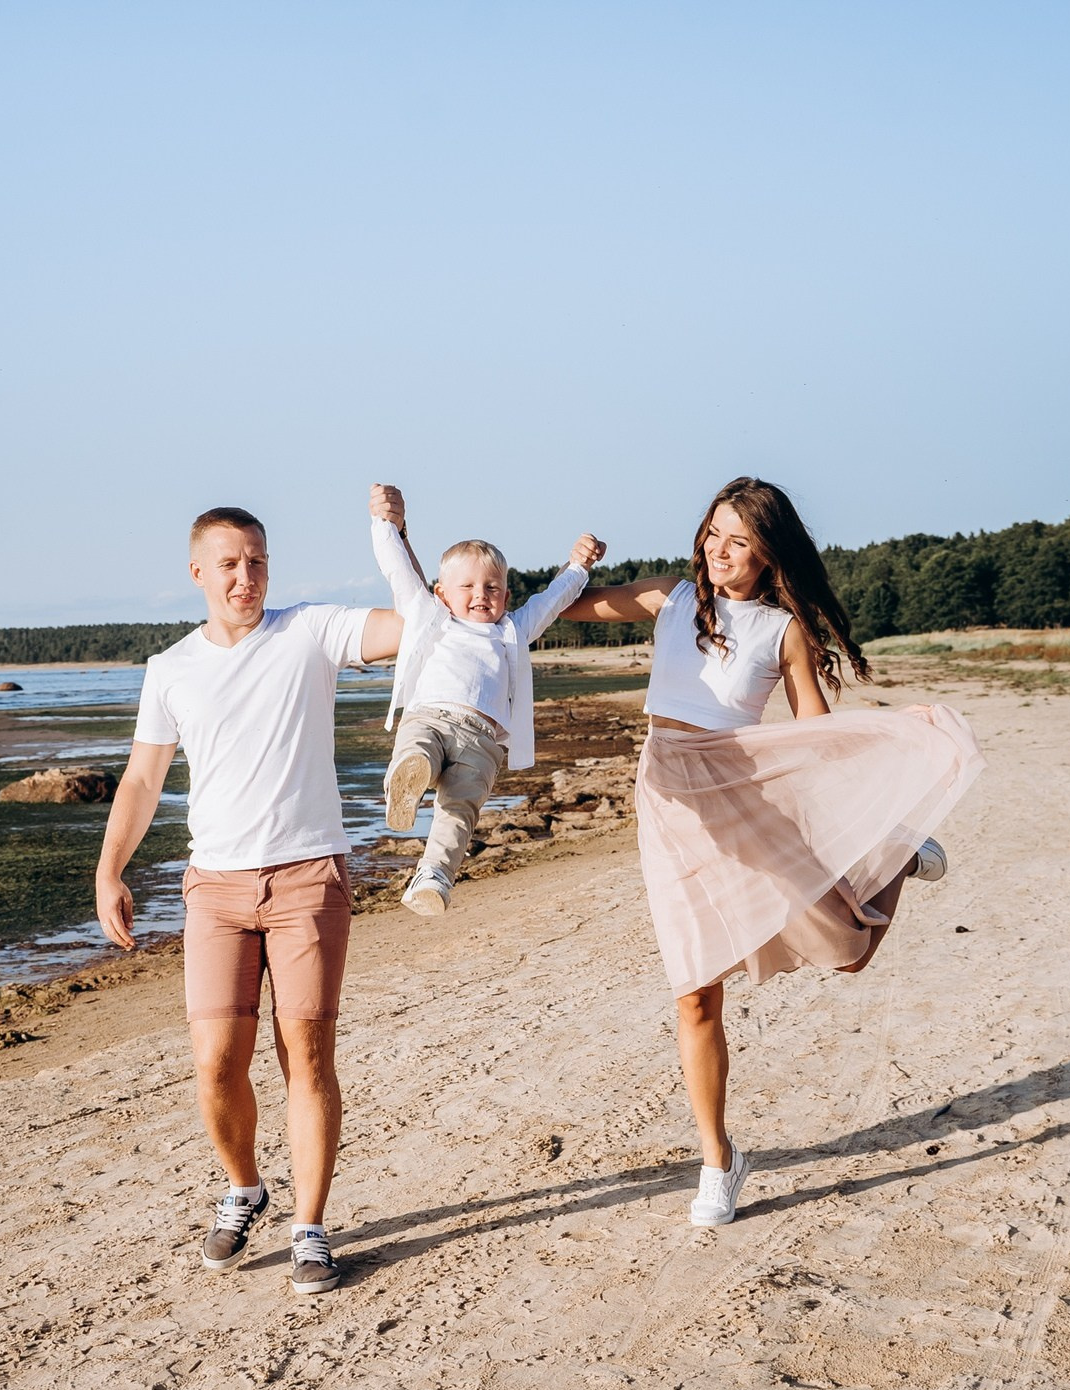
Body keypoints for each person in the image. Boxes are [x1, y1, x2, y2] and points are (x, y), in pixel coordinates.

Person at [554, 477, 984, 1227]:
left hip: (743, 797)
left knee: (847, 950)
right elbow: (561, 609)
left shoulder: (783, 631)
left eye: (739, 541)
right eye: (713, 533)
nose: (720, 551)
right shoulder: (670, 598)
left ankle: (899, 851)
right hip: (669, 799)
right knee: (693, 989)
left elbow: (815, 742)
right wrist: (577, 566)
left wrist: (896, 732)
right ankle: (719, 1162)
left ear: (766, 554)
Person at [95, 506, 403, 1296]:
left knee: (306, 1056)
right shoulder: (170, 669)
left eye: (258, 562)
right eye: (229, 564)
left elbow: (408, 626)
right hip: (216, 891)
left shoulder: (309, 632)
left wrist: (394, 538)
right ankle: (246, 1186)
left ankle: (310, 1226)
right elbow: (141, 779)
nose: (246, 577)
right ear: (198, 572)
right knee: (214, 1065)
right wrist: (110, 869)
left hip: (307, 882)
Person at [368, 481, 606, 915]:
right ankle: (406, 780)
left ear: (507, 595)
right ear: (442, 593)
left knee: (460, 811)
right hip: (433, 717)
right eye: (469, 587)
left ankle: (433, 877)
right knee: (417, 749)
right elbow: (398, 571)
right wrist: (385, 523)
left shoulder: (513, 629)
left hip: (482, 742)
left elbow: (551, 601)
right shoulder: (432, 617)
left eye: (493, 587)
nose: (482, 595)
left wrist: (578, 565)